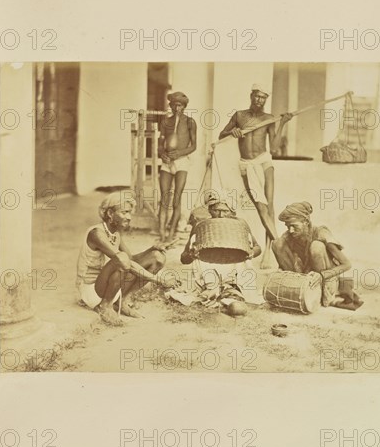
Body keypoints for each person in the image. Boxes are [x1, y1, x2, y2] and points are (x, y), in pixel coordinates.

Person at [75, 192, 178, 326]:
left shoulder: (115, 233)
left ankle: (122, 301)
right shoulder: (96, 233)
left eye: (130, 213)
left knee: (156, 257)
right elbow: (122, 260)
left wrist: (152, 249)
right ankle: (105, 307)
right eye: (124, 212)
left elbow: (131, 259)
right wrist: (159, 280)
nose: (129, 217)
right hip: (90, 291)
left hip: (104, 286)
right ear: (110, 214)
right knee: (120, 260)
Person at [218, 84, 293, 266]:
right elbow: (222, 135)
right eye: (257, 96)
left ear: (266, 99)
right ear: (251, 96)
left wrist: (282, 123)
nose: (259, 100)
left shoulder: (269, 119)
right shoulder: (239, 116)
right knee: (261, 209)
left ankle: (269, 251)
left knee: (270, 204)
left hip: (264, 161)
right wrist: (232, 131)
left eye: (263, 97)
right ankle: (280, 247)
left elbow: (274, 148)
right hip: (246, 164)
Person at [178, 196, 263, 306]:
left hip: (234, 276)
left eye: (225, 211)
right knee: (196, 242)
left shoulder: (240, 224)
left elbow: (258, 248)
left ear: (233, 212)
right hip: (207, 277)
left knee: (236, 305)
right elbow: (183, 259)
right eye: (216, 210)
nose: (221, 215)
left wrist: (251, 253)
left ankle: (232, 291)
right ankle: (211, 291)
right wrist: (192, 254)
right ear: (209, 210)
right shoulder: (201, 226)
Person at [271, 201, 354, 307]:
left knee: (316, 246)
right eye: (288, 226)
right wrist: (281, 268)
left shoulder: (321, 232)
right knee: (277, 244)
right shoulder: (289, 236)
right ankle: (296, 289)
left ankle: (320, 294)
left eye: (294, 226)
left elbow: (347, 264)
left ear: (306, 221)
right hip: (305, 279)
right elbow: (280, 252)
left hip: (325, 280)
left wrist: (321, 275)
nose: (290, 230)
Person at [158, 91, 197, 245]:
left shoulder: (190, 122)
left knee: (177, 199)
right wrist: (163, 155)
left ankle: (171, 233)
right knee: (164, 198)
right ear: (171, 105)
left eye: (180, 105)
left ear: (184, 106)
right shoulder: (165, 122)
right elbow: (160, 145)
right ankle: (162, 233)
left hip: (182, 161)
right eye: (174, 104)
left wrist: (179, 153)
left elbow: (194, 146)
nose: (177, 107)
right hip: (167, 163)